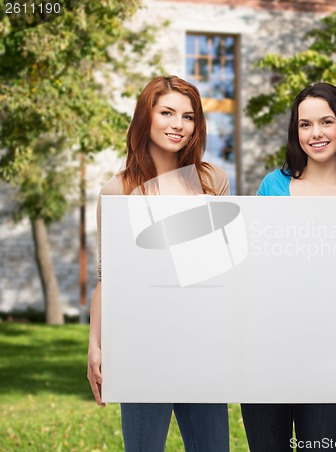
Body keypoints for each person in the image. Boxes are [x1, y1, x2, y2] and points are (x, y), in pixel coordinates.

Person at [87, 76, 230, 452]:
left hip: (202, 342)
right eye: (166, 112)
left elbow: (224, 270)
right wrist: (95, 345)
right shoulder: (117, 190)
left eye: (188, 116)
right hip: (141, 342)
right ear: (145, 118)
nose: (178, 125)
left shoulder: (212, 180)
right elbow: (108, 277)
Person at [240, 82, 336, 451]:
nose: (315, 133)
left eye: (326, 122)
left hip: (329, 359)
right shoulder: (273, 186)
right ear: (296, 131)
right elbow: (251, 271)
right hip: (266, 354)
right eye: (305, 124)